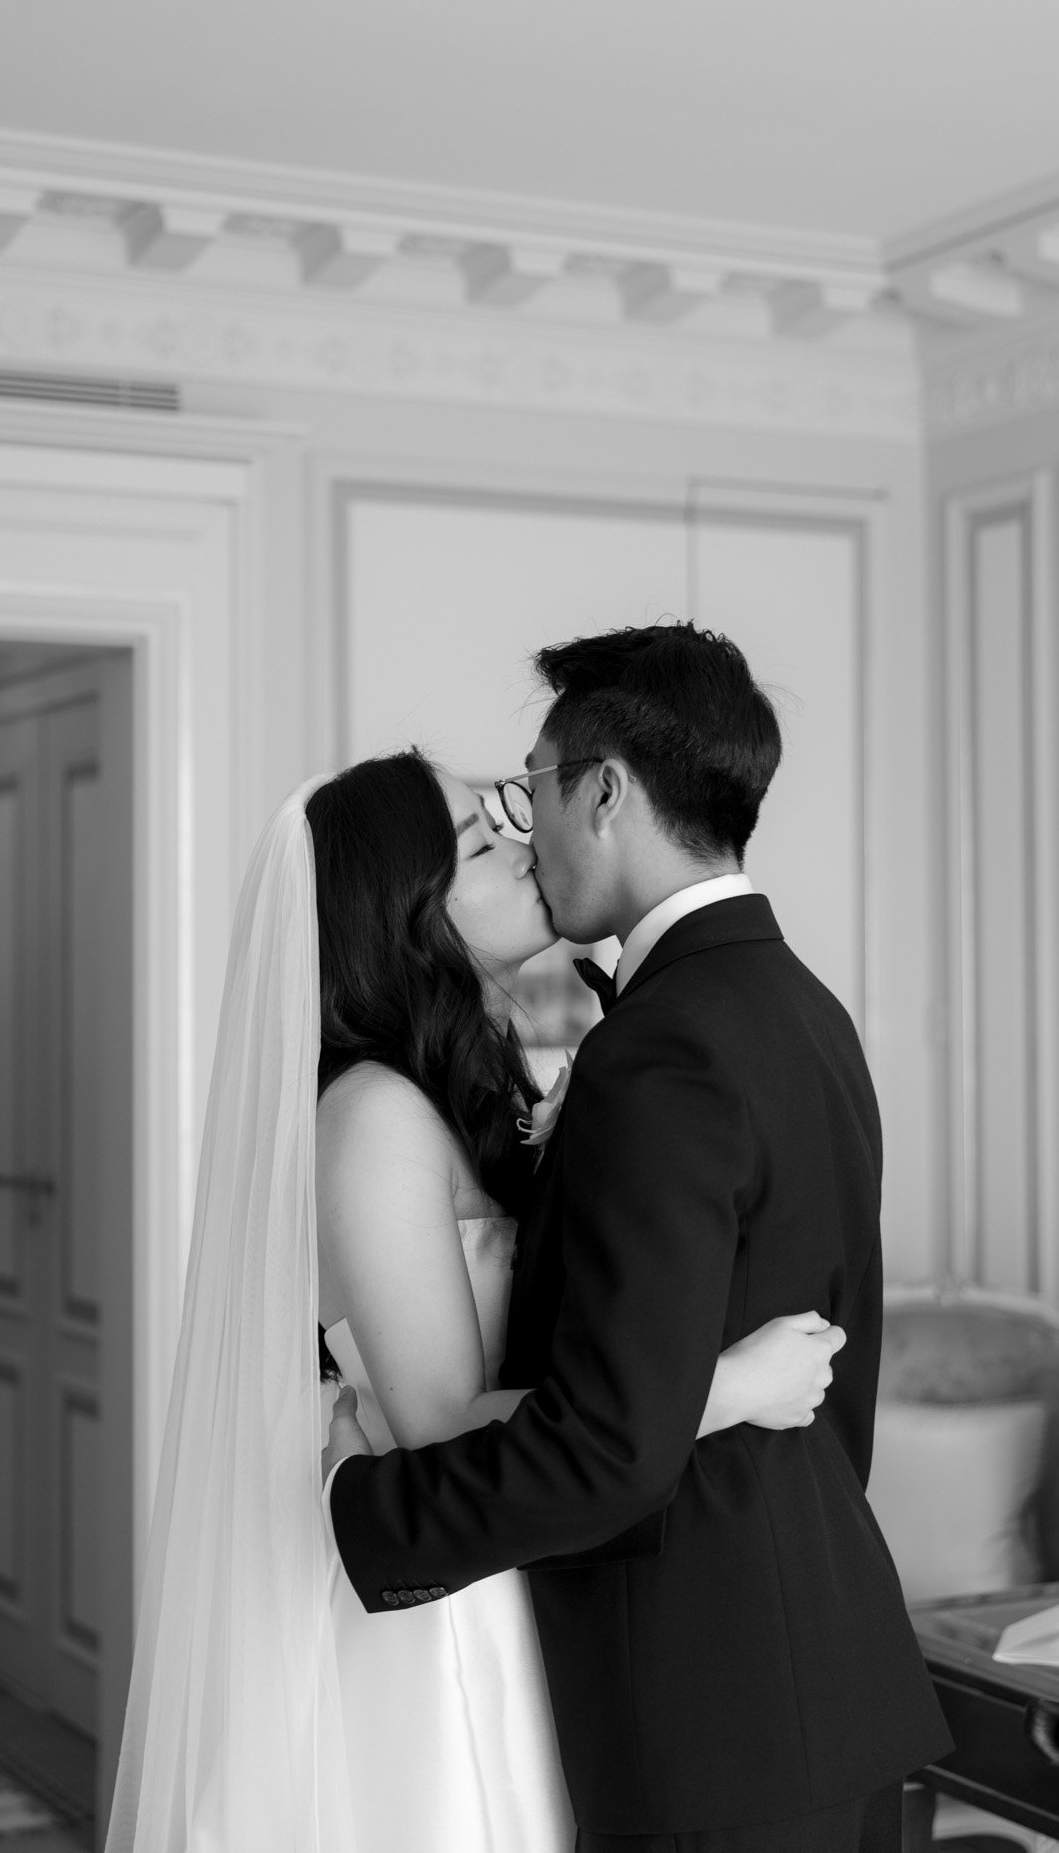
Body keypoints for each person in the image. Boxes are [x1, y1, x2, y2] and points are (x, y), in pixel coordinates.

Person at [104, 740, 844, 1853]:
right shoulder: (372, 1119)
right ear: (408, 914)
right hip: (434, 1608)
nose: (520, 835)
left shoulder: (461, 1078)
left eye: (507, 808)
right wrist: (727, 1386)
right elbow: (441, 1424)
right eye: (476, 836)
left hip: (520, 1557)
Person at [323, 623, 951, 1853]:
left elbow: (610, 1433)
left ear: (602, 790)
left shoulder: (661, 1045)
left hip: (706, 1701)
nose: (521, 826)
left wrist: (362, 1509)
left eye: (531, 788)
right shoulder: (798, 1007)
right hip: (796, 1663)